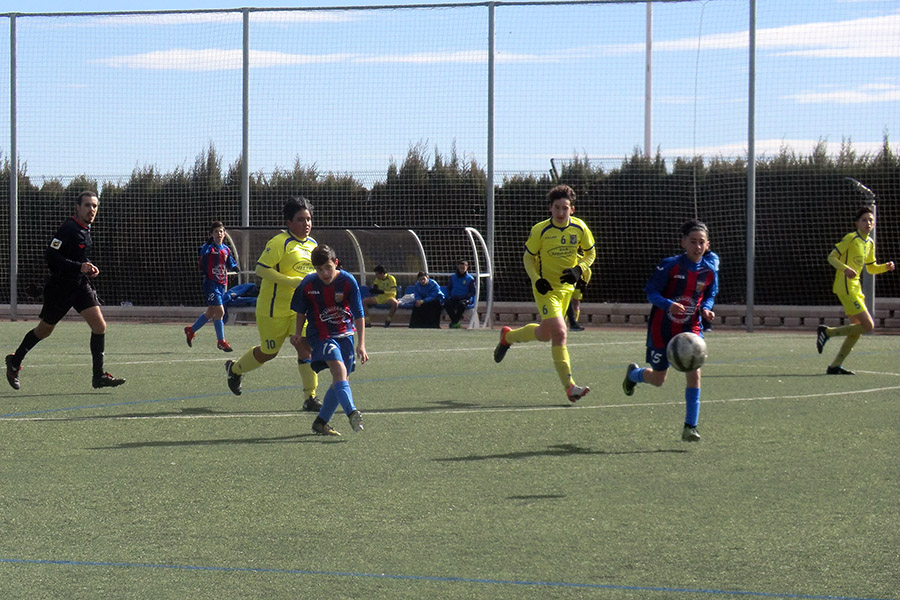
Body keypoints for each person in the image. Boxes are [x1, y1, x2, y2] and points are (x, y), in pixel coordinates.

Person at [5, 190, 126, 390]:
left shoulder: (85, 230)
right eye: (87, 205)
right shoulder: (68, 228)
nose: (91, 209)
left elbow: (78, 257)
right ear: (77, 208)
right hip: (60, 288)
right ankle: (15, 361)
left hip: (79, 286)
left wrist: (88, 266)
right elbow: (51, 256)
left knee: (100, 326)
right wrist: (78, 266)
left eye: (95, 206)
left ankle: (98, 377)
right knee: (44, 330)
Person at [493, 184, 595, 403]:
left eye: (565, 208)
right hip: (546, 289)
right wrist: (536, 280)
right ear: (550, 208)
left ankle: (508, 337)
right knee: (560, 331)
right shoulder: (541, 230)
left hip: (567, 289)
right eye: (557, 208)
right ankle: (570, 387)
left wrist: (580, 270)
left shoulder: (580, 228)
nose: (560, 213)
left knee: (544, 334)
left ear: (572, 209)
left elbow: (590, 253)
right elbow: (528, 258)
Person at [622, 219, 718, 442]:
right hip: (662, 329)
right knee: (658, 380)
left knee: (694, 373)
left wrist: (706, 309)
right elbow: (651, 292)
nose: (697, 246)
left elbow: (710, 295)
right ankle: (633, 374)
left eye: (701, 242)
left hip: (691, 328)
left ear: (707, 244)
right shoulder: (670, 266)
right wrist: (668, 304)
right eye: (692, 241)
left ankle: (690, 427)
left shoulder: (709, 271)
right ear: (683, 242)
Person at [223, 197, 321, 412]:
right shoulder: (279, 242)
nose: (306, 224)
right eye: (300, 219)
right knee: (269, 352)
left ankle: (310, 397)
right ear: (288, 222)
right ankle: (236, 370)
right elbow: (261, 269)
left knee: (305, 347)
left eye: (309, 219)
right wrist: (292, 281)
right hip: (273, 310)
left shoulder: (313, 245)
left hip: (299, 311)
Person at [290, 245, 368, 436]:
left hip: (345, 335)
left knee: (341, 379)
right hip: (321, 336)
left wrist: (361, 343)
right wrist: (298, 333)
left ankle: (321, 422)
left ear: (335, 262)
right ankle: (352, 412)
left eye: (328, 267)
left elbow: (359, 314)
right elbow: (300, 310)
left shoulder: (348, 281)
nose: (324, 273)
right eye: (319, 269)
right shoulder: (308, 284)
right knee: (339, 371)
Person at [816, 206, 895, 374]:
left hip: (856, 288)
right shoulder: (851, 238)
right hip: (845, 288)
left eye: (871, 220)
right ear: (857, 223)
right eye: (864, 220)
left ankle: (835, 365)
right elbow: (831, 257)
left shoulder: (869, 243)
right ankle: (828, 332)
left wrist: (885, 267)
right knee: (868, 325)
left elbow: (871, 268)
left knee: (857, 327)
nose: (868, 223)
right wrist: (845, 269)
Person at [184, 221, 239, 352]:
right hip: (211, 284)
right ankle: (221, 341)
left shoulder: (226, 249)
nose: (219, 234)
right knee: (220, 311)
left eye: (221, 231)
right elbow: (202, 252)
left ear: (224, 234)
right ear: (211, 234)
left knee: (211, 312)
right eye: (216, 232)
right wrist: (208, 243)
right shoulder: (210, 248)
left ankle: (191, 330)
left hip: (221, 284)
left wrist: (234, 266)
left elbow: (229, 261)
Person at [444, 259, 476, 329]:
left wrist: (465, 296)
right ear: (458, 267)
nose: (461, 270)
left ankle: (454, 322)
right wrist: (451, 295)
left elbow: (473, 292)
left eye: (463, 268)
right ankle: (456, 322)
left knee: (461, 305)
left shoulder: (470, 279)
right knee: (447, 304)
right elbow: (449, 288)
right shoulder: (453, 277)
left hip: (464, 299)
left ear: (467, 267)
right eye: (460, 268)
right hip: (454, 298)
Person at [565, 263, 591, 331]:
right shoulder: (569, 257)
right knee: (566, 303)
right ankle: (563, 323)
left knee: (576, 303)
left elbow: (588, 271)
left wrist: (585, 283)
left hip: (578, 285)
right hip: (568, 283)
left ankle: (574, 323)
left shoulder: (582, 260)